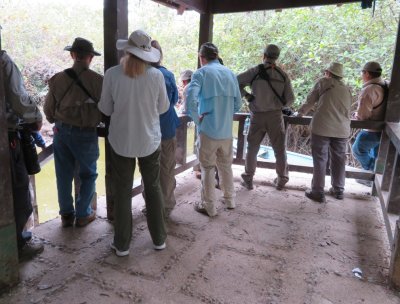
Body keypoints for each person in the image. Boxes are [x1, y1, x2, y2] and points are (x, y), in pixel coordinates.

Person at [98, 30, 169, 256]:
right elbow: (163, 108)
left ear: (127, 49)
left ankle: (122, 245)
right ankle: (159, 239)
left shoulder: (112, 74)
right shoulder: (156, 76)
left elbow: (105, 109)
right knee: (154, 187)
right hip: (149, 141)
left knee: (122, 190)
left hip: (121, 142)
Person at [44, 37, 103, 227]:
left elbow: (48, 109)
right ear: (90, 58)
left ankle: (66, 215)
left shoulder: (57, 79)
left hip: (61, 132)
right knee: (88, 175)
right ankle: (83, 214)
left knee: (63, 174)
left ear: (72, 55)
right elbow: (107, 109)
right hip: (86, 133)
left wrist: (57, 121)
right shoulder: (98, 81)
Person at [186, 42, 242, 217]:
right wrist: (225, 115)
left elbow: (190, 100)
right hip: (226, 131)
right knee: (226, 166)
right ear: (216, 56)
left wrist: (198, 120)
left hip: (208, 130)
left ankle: (209, 206)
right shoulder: (230, 73)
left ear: (201, 58)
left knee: (208, 168)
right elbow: (238, 103)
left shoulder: (201, 73)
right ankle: (230, 199)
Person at [1, 50, 44, 260]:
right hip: (6, 138)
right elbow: (17, 98)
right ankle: (17, 244)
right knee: (19, 192)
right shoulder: (2, 59)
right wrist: (35, 116)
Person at [237, 44, 295, 191]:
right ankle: (282, 180)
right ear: (277, 58)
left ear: (264, 55)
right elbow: (290, 99)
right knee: (279, 150)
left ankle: (248, 179)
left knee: (252, 149)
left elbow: (235, 81)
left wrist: (248, 96)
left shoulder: (256, 71)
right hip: (275, 117)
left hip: (257, 116)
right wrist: (278, 104)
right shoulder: (283, 75)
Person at [298, 62, 352, 203]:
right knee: (339, 160)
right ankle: (338, 190)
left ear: (328, 73)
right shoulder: (346, 88)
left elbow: (310, 100)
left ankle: (317, 192)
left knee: (320, 159)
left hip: (322, 127)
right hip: (342, 129)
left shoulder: (323, 83)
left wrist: (300, 113)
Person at [150, 40, 180, 218]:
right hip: (167, 128)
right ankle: (167, 206)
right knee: (167, 169)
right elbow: (174, 99)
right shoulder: (167, 75)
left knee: (150, 169)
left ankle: (152, 204)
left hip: (147, 130)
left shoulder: (142, 75)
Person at [352, 61, 388, 186]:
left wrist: (357, 115)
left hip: (372, 130)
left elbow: (363, 116)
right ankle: (376, 177)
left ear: (367, 73)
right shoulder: (385, 84)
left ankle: (372, 176)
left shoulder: (369, 89)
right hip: (384, 130)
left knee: (357, 149)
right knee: (378, 155)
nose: (362, 76)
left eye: (362, 73)